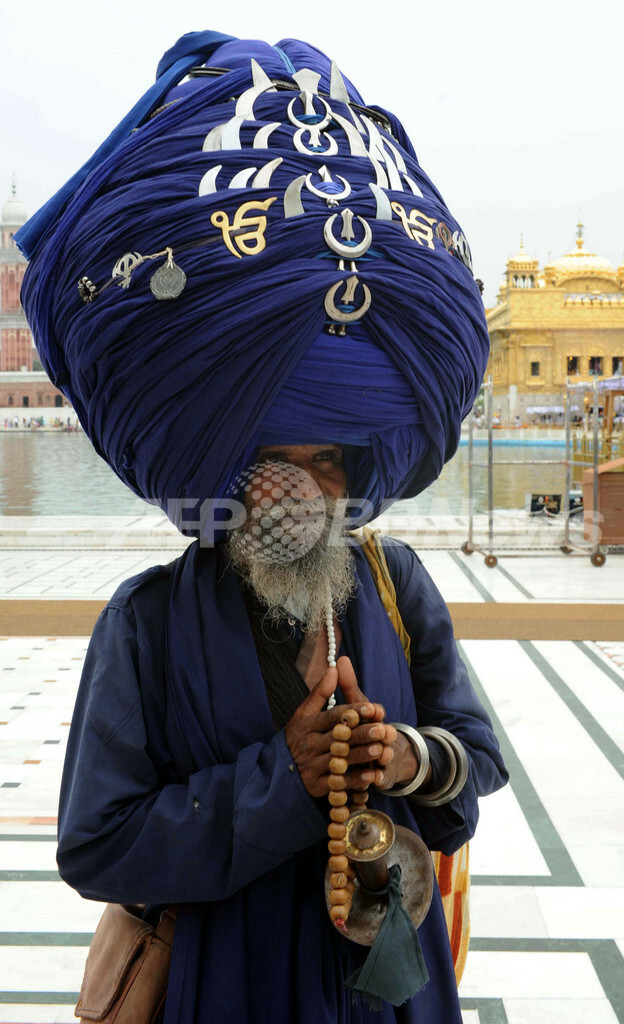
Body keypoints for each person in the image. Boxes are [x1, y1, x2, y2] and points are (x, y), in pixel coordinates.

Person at [18, 32, 507, 1023]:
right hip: (230, 986)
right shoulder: (146, 623)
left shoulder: (397, 586)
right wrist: (282, 776)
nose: (307, 488)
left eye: (329, 462)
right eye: (278, 459)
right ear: (226, 468)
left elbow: (476, 757)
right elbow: (97, 844)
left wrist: (403, 757)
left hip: (392, 984)